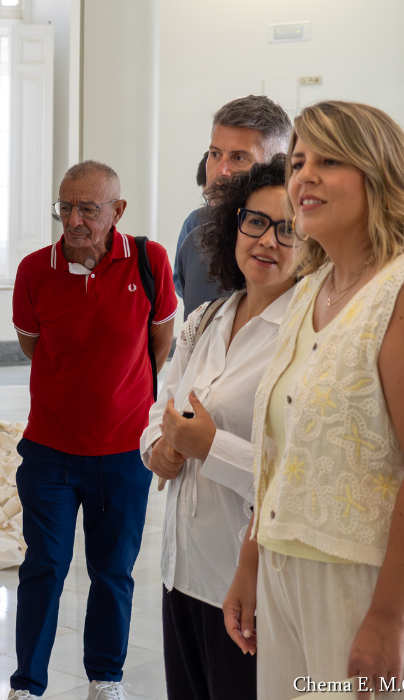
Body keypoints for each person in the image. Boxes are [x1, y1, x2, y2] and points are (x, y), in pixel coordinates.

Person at [222, 102, 404, 699]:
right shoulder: (312, 289)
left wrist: (389, 616)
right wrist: (251, 559)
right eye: (298, 162)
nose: (304, 177)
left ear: (380, 174)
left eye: (330, 161)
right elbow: (283, 453)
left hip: (377, 586)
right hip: (290, 576)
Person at [9, 161, 177, 700]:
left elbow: (160, 343)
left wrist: (123, 395)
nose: (74, 220)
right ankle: (27, 685)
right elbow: (34, 345)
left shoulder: (150, 261)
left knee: (113, 571)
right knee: (44, 566)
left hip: (124, 452)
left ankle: (105, 678)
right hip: (49, 450)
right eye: (65, 207)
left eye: (88, 208)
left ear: (117, 211)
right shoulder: (35, 270)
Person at [143, 158, 297, 699]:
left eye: (288, 229)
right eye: (255, 221)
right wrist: (160, 449)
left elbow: (302, 477)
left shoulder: (304, 340)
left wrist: (210, 447)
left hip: (246, 590)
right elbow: (160, 411)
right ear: (235, 226)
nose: (268, 240)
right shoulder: (205, 320)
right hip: (180, 575)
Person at [175, 96, 292, 318]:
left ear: (278, 164)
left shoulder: (302, 243)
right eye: (215, 154)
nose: (221, 170)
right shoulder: (196, 239)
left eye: (239, 158)